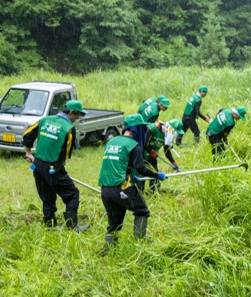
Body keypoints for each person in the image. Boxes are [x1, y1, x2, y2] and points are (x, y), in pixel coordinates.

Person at [98, 114, 167, 251]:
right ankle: (140, 246)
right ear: (137, 129)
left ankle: (109, 250)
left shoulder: (112, 141)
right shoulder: (133, 145)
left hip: (105, 189)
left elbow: (117, 162)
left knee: (115, 223)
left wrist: (130, 175)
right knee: (142, 210)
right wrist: (156, 175)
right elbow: (142, 168)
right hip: (121, 187)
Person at [23, 100, 90, 231]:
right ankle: (72, 226)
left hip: (37, 166)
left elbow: (27, 135)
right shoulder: (69, 129)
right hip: (54, 168)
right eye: (78, 115)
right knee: (72, 194)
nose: (78, 118)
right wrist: (58, 169)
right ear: (71, 112)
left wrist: (28, 153)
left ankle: (50, 225)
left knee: (47, 196)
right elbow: (66, 155)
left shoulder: (44, 120)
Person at [142, 119, 185, 191]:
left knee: (155, 176)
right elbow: (143, 143)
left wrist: (173, 162)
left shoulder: (166, 135)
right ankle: (139, 194)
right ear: (171, 129)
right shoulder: (152, 128)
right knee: (142, 176)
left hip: (152, 157)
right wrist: (150, 150)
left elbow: (167, 151)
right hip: (142, 156)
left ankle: (154, 194)